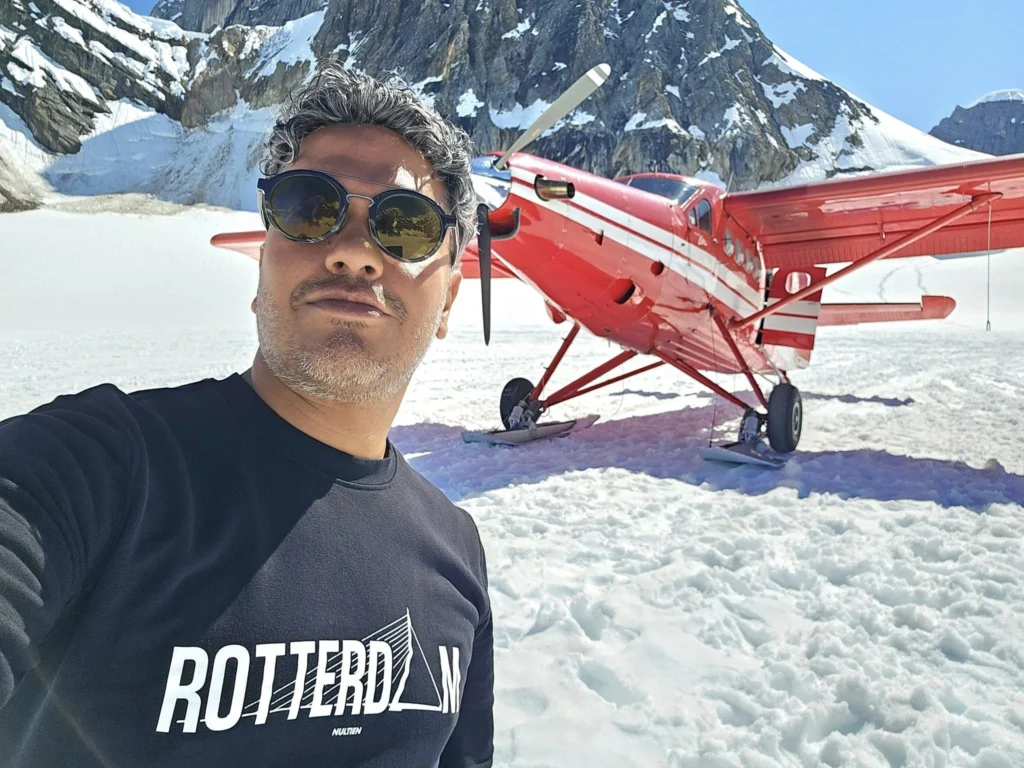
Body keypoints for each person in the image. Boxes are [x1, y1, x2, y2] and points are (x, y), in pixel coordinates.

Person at [0, 63, 492, 768]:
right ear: (263, 263)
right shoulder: (97, 465)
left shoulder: (459, 553)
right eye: (307, 206)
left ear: (450, 296)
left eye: (406, 226)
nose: (353, 252)